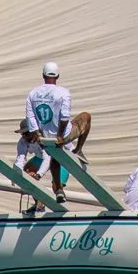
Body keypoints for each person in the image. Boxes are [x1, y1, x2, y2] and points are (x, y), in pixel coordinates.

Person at [25, 60, 91, 204]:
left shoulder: (33, 93)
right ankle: (78, 149)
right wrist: (60, 135)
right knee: (86, 116)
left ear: (43, 75)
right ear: (58, 76)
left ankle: (59, 189)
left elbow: (30, 116)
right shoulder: (63, 92)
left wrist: (37, 134)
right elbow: (65, 117)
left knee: (54, 154)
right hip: (63, 135)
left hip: (44, 136)